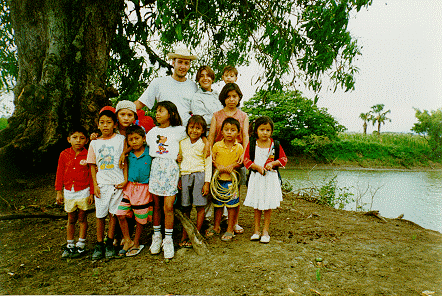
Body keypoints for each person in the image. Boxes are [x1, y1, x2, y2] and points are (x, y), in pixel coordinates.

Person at [145, 101, 187, 259]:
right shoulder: (151, 132)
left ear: (171, 114)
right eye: (157, 111)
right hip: (156, 167)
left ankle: (168, 239)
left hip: (171, 168)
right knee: (156, 205)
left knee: (168, 206)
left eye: (161, 111)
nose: (157, 114)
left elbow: (194, 138)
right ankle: (157, 236)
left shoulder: (179, 131)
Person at [206, 83, 249, 234]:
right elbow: (211, 136)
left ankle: (234, 223)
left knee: (235, 191)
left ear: (239, 98)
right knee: (217, 191)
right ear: (223, 98)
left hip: (236, 157)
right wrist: (210, 155)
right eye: (228, 96)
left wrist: (245, 155)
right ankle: (216, 223)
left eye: (234, 96)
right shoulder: (216, 115)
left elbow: (246, 136)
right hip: (219, 157)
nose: (231, 99)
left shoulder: (243, 116)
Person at [87, 109, 127, 260]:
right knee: (100, 214)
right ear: (97, 125)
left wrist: (125, 179)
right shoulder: (94, 143)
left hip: (117, 183)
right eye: (102, 123)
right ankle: (99, 244)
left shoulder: (120, 139)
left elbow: (125, 161)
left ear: (115, 125)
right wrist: (95, 185)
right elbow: (91, 165)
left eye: (109, 123)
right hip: (102, 183)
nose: (105, 126)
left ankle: (109, 242)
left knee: (114, 214)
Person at [243, 116, 288, 244]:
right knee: (257, 205)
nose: (265, 132)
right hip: (257, 178)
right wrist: (257, 167)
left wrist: (273, 163)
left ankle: (265, 231)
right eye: (262, 129)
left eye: (268, 130)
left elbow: (284, 159)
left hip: (270, 179)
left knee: (268, 205)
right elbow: (246, 160)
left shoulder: (276, 145)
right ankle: (256, 231)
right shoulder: (252, 144)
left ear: (271, 132)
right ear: (256, 130)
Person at [55, 126, 94, 259]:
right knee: (71, 218)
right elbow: (59, 173)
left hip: (83, 191)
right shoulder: (64, 154)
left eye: (82, 138)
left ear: (87, 140)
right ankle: (70, 244)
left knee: (82, 218)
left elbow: (91, 175)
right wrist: (58, 192)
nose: (78, 141)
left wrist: (91, 193)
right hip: (69, 191)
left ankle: (81, 244)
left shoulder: (88, 154)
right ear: (68, 139)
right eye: (75, 138)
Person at [135, 47, 198, 126]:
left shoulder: (193, 86)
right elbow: (140, 103)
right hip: (164, 131)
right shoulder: (159, 82)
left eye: (186, 63)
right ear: (173, 63)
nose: (183, 66)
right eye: (180, 62)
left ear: (189, 66)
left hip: (186, 132)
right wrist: (119, 111)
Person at [116, 125, 152, 257]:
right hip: (130, 187)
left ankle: (136, 242)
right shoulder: (129, 154)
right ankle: (127, 239)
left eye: (137, 138)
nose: (134, 141)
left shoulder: (150, 152)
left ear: (144, 138)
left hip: (144, 188)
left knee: (140, 217)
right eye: (131, 140)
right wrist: (125, 152)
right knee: (120, 213)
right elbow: (125, 167)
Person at [178, 115, 212, 248]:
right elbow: (179, 162)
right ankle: (185, 234)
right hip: (185, 176)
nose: (194, 130)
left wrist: (206, 182)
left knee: (200, 206)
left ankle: (197, 234)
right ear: (187, 128)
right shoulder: (182, 143)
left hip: (199, 176)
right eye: (191, 127)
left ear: (203, 130)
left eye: (198, 128)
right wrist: (179, 178)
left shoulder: (204, 144)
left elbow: (208, 164)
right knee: (185, 207)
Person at [208, 117, 244, 242]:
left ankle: (230, 229)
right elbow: (211, 161)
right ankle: (216, 226)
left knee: (231, 206)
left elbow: (241, 163)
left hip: (231, 182)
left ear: (238, 132)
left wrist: (232, 166)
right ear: (221, 131)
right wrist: (218, 166)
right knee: (217, 205)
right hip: (218, 180)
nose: (229, 132)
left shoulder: (239, 147)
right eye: (226, 129)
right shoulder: (217, 146)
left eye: (233, 130)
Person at [190, 65, 223, 132]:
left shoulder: (217, 95)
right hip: (207, 133)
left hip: (222, 132)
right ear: (198, 80)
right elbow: (201, 120)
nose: (205, 78)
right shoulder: (197, 97)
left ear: (212, 79)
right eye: (202, 76)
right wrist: (221, 117)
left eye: (208, 75)